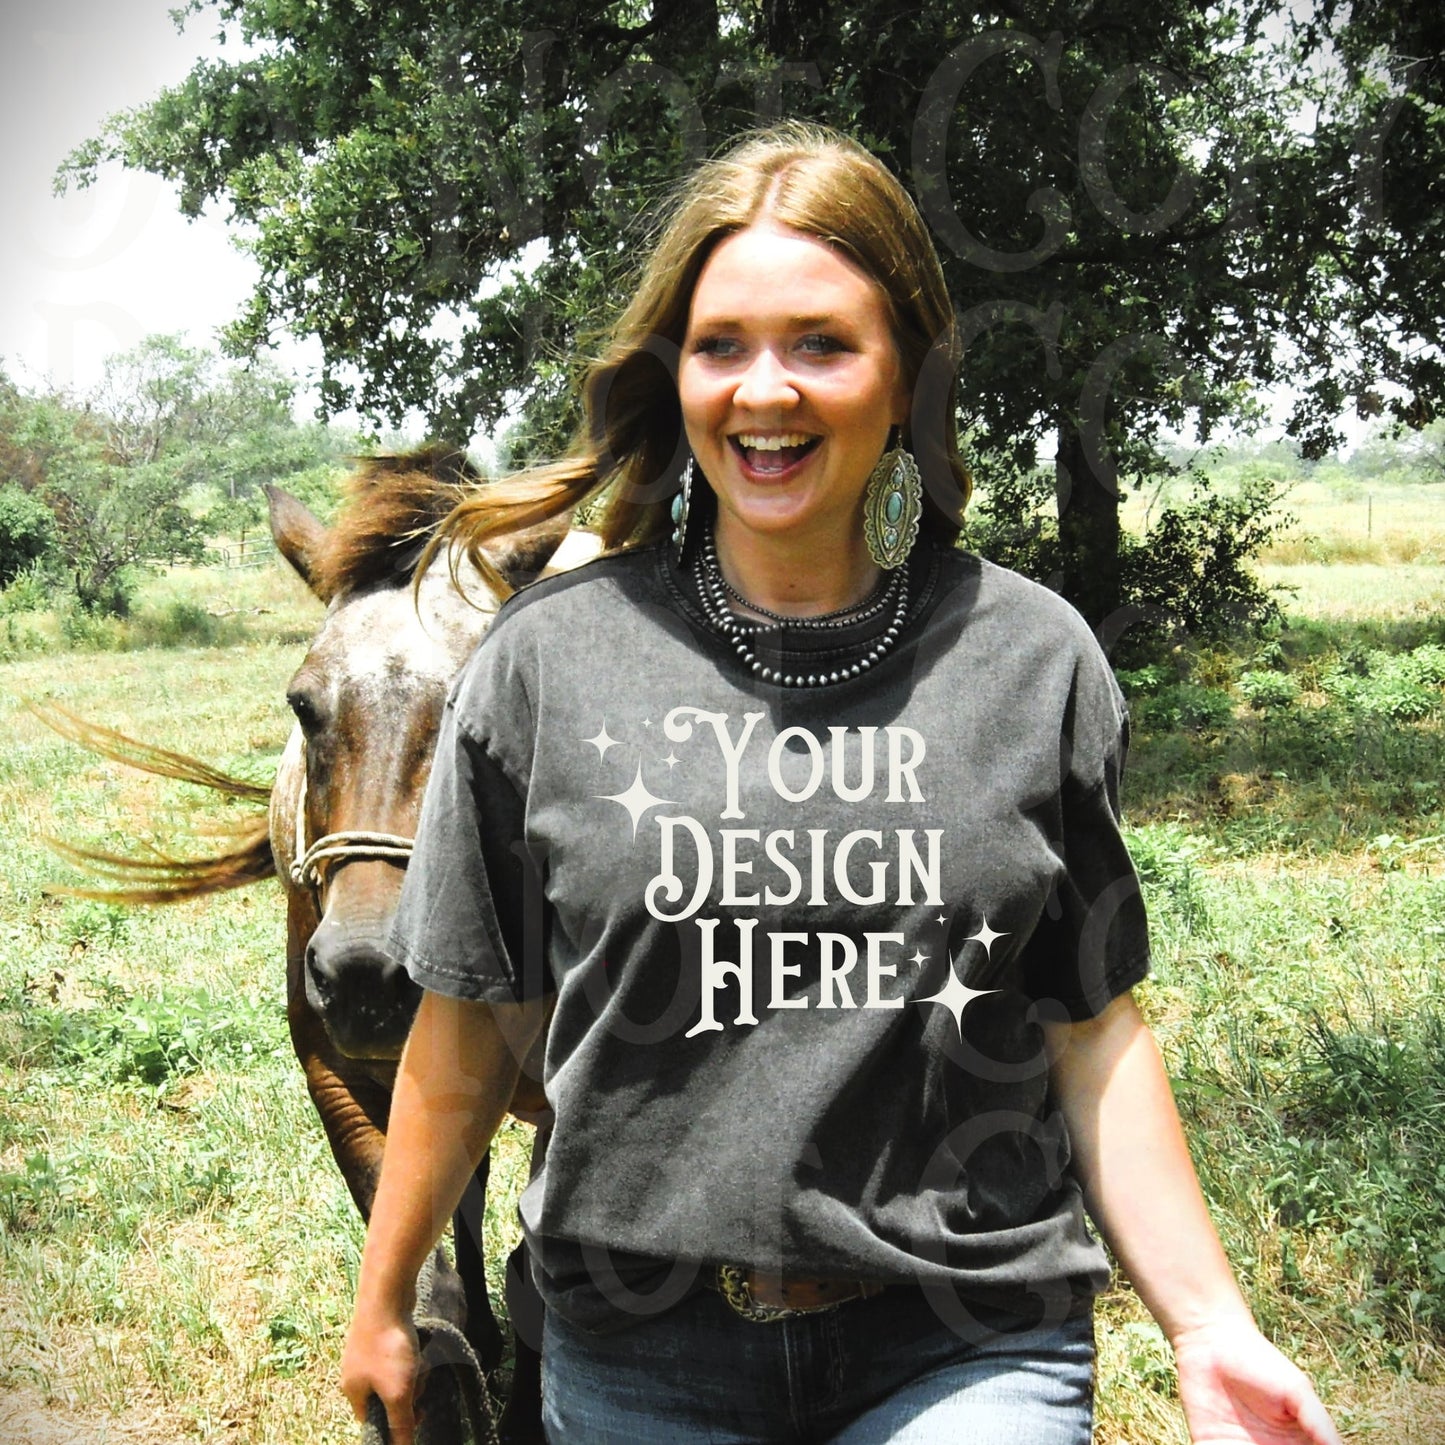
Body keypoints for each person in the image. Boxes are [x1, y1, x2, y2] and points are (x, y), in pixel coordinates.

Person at [340, 122, 1340, 1445]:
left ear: (908, 376)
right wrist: (389, 1296)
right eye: (720, 346)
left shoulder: (1029, 657)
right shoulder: (547, 664)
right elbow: (468, 1027)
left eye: (821, 341)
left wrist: (1209, 1326)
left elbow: (1090, 1026)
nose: (765, 391)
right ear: (672, 372)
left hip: (966, 1340)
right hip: (644, 1354)